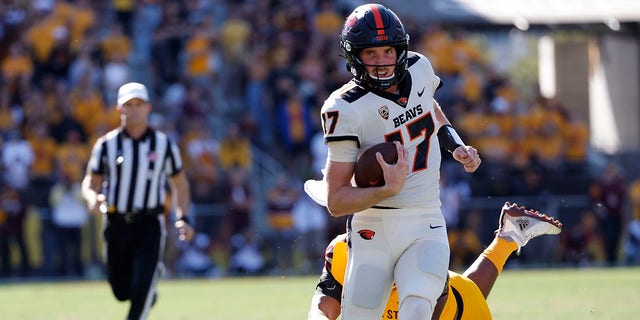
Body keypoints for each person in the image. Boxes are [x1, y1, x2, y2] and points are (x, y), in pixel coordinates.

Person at [316, 4, 481, 319]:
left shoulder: (420, 67)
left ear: (401, 50)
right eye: (370, 54)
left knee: (418, 307)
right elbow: (336, 201)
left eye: (387, 51)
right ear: (354, 57)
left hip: (426, 219)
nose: (381, 62)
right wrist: (384, 190)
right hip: (373, 226)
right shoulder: (343, 108)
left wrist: (455, 145)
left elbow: (429, 108)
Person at [308, 202, 563, 320]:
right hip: (442, 296)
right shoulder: (341, 249)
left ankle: (509, 238)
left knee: (462, 294)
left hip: (456, 312)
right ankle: (510, 236)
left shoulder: (418, 251)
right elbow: (324, 307)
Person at [82, 82, 194, 320]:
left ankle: (147, 283)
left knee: (139, 295)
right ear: (119, 109)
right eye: (129, 105)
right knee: (121, 291)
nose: (134, 110)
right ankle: (150, 283)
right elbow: (91, 181)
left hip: (149, 224)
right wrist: (92, 198)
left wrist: (182, 217)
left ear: (148, 108)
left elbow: (180, 183)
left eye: (139, 104)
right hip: (116, 223)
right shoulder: (106, 145)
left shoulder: (163, 144)